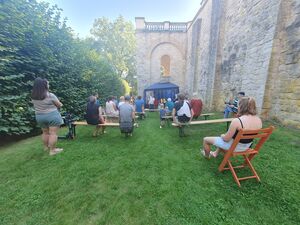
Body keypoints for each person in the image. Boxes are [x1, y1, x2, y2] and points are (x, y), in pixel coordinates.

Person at [31, 77, 64, 156]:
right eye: (47, 84)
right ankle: (52, 151)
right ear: (44, 85)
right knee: (53, 133)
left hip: (39, 116)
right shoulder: (50, 95)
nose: (48, 85)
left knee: (45, 132)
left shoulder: (33, 95)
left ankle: (46, 148)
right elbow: (60, 105)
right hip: (52, 115)